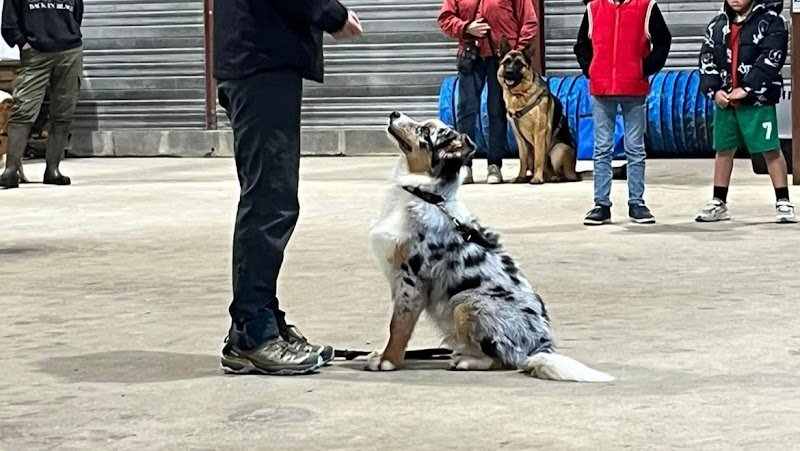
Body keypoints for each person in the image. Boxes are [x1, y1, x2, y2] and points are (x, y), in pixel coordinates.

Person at [214, 0, 362, 376]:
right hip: (259, 62)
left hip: (255, 59)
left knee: (270, 197)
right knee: (270, 200)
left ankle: (260, 319)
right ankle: (252, 333)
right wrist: (332, 14)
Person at [695, 0, 795, 223]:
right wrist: (714, 91)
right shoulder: (716, 25)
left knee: (770, 149)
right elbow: (706, 60)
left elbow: (772, 58)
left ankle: (783, 202)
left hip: (758, 101)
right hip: (726, 102)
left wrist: (748, 88)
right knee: (723, 150)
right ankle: (718, 202)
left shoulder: (772, 22)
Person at [574, 0, 671, 225]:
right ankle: (601, 205)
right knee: (602, 149)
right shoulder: (593, 8)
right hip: (601, 90)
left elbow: (663, 40)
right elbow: (581, 45)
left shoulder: (646, 6)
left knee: (635, 148)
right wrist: (591, 69)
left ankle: (637, 203)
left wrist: (643, 69)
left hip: (634, 89)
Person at [438, 0, 538, 184]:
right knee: (465, 109)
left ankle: (494, 165)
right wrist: (466, 27)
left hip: (500, 59)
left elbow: (529, 22)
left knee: (497, 110)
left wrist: (515, 52)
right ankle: (464, 165)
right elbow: (445, 19)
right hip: (471, 56)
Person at [0, 0, 84, 189]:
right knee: (23, 110)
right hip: (35, 54)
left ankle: (53, 170)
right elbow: (9, 22)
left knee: (63, 112)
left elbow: (77, 13)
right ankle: (11, 170)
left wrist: (68, 35)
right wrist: (22, 42)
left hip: (70, 52)